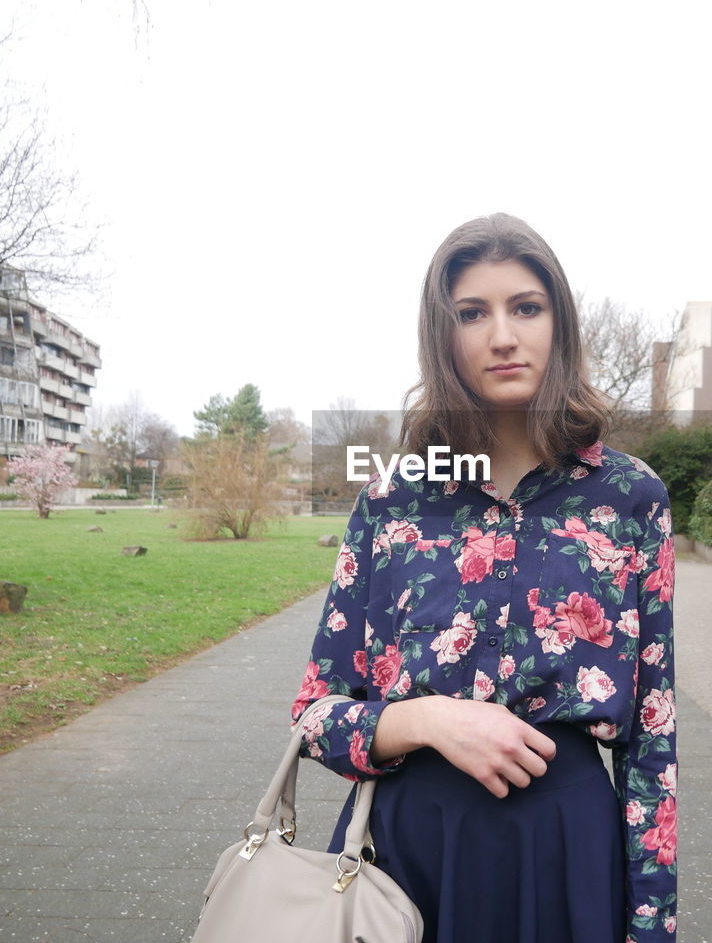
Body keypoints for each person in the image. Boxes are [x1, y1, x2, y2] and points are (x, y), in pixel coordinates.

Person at [290, 213, 677, 942]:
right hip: (406, 856)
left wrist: (652, 927)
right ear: (444, 337)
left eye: (526, 307)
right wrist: (425, 720)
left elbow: (653, 738)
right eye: (473, 313)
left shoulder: (630, 498)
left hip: (565, 852)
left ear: (558, 323)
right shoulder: (392, 500)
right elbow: (315, 715)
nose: (503, 334)